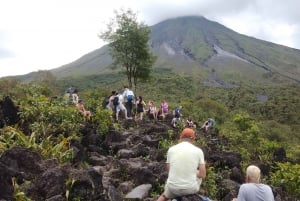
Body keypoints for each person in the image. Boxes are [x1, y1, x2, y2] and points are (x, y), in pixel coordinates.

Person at [157, 128, 206, 201]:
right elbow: (202, 175)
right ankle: (192, 197)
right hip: (190, 189)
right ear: (193, 139)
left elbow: (169, 170)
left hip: (173, 188)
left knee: (164, 195)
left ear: (181, 137)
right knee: (198, 175)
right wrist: (194, 172)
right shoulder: (198, 151)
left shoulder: (171, 149)